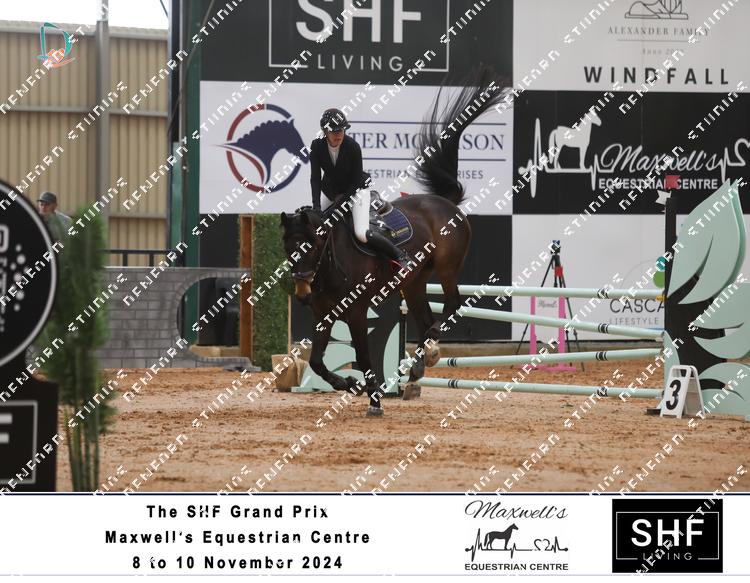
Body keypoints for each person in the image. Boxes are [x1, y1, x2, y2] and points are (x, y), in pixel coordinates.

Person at [310, 108, 412, 271]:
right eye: (334, 131)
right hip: (332, 192)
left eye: (341, 130)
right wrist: (316, 206)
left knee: (361, 233)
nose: (338, 135)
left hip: (356, 192)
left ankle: (400, 255)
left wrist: (338, 208)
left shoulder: (353, 147)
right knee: (317, 227)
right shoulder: (316, 146)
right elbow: (315, 178)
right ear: (325, 132)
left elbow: (356, 183)